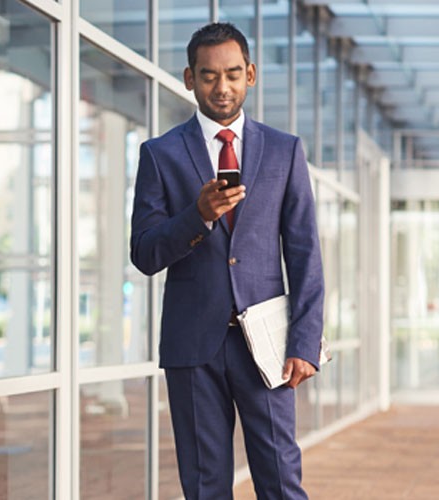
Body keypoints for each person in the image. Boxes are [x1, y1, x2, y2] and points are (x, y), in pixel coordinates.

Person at [130, 22, 324, 499]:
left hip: (269, 347)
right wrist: (197, 216)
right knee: (204, 487)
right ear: (189, 78)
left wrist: (305, 340)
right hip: (192, 346)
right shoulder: (160, 155)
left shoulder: (285, 151)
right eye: (210, 75)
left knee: (281, 480)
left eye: (233, 74)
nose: (222, 87)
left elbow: (304, 253)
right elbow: (145, 253)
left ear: (251, 74)